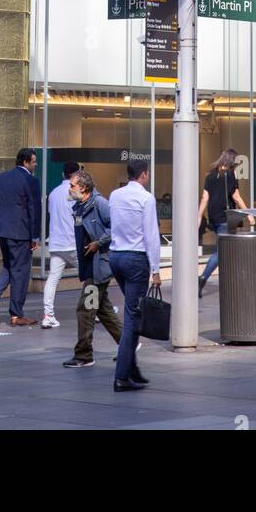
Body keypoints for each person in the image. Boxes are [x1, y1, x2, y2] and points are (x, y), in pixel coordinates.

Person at [62, 169, 123, 369]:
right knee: (103, 310)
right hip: (90, 265)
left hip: (100, 266)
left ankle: (84, 355)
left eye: (72, 185)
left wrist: (99, 242)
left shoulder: (100, 203)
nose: (69, 188)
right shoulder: (80, 206)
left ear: (84, 188)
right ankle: (127, 345)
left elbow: (116, 226)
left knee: (86, 309)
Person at [109, 158, 160, 392]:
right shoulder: (146, 198)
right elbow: (151, 235)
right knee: (132, 317)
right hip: (136, 259)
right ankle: (121, 376)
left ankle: (132, 369)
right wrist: (156, 269)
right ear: (144, 174)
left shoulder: (115, 195)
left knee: (133, 312)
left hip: (116, 257)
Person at [0, 148, 42, 326]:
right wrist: (35, 236)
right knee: (21, 272)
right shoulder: (31, 180)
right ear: (25, 162)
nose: (36, 164)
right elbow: (34, 208)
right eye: (34, 161)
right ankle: (16, 314)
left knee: (9, 266)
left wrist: (1, 217)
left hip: (3, 230)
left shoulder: (1, 177)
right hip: (21, 232)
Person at [197, 148, 254, 297]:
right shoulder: (230, 174)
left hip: (214, 217)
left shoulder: (210, 175)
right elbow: (236, 196)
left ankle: (231, 281)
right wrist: (248, 214)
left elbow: (204, 197)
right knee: (221, 251)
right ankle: (202, 278)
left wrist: (199, 217)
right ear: (231, 161)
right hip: (225, 217)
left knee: (227, 249)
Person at [42, 160, 80, 328]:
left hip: (56, 243)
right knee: (92, 278)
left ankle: (48, 315)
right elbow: (79, 215)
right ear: (76, 175)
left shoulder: (54, 193)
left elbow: (51, 214)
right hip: (72, 242)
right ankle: (97, 311)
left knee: (52, 279)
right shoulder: (75, 191)